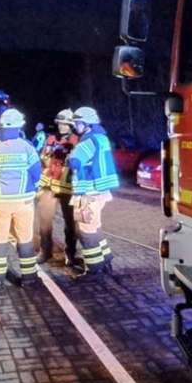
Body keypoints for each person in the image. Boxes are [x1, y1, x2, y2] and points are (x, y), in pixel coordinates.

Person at [0, 108, 42, 291]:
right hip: (23, 200)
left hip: (0, 200)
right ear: (18, 126)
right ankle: (29, 279)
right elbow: (36, 172)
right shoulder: (27, 146)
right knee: (25, 239)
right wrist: (33, 186)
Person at [67, 106, 120, 282]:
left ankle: (94, 270)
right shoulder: (101, 137)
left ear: (87, 123)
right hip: (100, 191)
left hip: (88, 193)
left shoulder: (88, 141)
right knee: (95, 227)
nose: (75, 126)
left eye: (78, 122)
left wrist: (69, 156)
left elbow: (75, 163)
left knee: (86, 231)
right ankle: (105, 260)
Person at [36, 109, 79, 266]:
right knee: (45, 220)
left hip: (67, 188)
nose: (61, 126)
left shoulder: (76, 141)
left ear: (71, 125)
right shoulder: (51, 139)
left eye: (65, 124)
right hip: (49, 186)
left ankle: (70, 254)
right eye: (60, 123)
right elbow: (43, 160)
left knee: (70, 223)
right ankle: (45, 251)